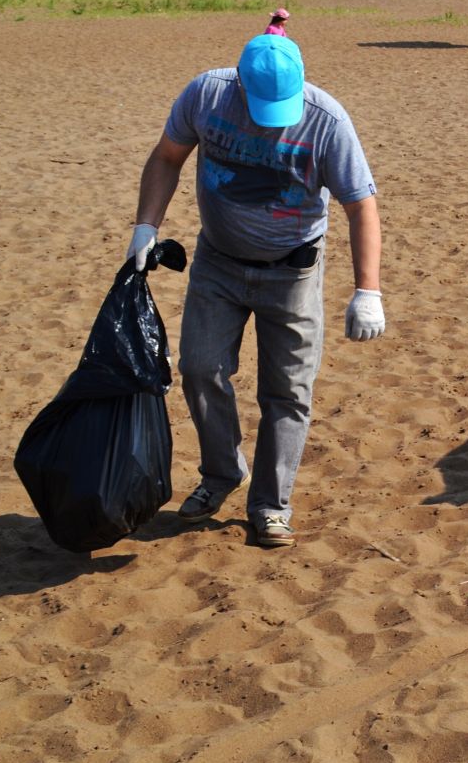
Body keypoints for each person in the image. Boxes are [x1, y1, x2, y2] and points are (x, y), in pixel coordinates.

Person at [128, 33, 387, 546]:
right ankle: (222, 473)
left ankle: (270, 503)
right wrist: (145, 227)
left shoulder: (327, 120)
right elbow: (166, 158)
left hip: (292, 274)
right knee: (200, 369)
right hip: (217, 264)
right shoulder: (206, 94)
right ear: (240, 84)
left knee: (287, 392)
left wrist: (367, 290)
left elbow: (362, 205)